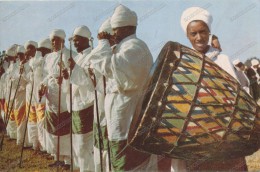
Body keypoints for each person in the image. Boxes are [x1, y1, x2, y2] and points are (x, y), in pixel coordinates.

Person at [89, 5, 156, 171]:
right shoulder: (124, 47)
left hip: (129, 113)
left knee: (129, 157)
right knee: (119, 155)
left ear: (126, 28)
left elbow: (109, 67)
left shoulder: (134, 47)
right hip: (121, 114)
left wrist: (103, 43)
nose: (113, 34)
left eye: (115, 30)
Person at [180, 6, 247, 171]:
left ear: (209, 32)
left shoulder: (222, 59)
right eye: (193, 33)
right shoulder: (184, 64)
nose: (199, 37)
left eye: (203, 32)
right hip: (199, 136)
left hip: (227, 133)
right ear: (187, 36)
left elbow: (238, 92)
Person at [39, 29, 75, 170]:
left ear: (63, 41)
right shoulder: (48, 57)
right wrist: (43, 85)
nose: (54, 42)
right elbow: (46, 75)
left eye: (57, 39)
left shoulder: (70, 55)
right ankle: (57, 157)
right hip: (52, 93)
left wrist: (65, 77)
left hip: (64, 92)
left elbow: (74, 73)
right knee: (53, 126)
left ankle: (68, 160)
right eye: (52, 40)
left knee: (65, 126)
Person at [62, 25, 95, 171]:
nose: (75, 44)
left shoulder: (92, 55)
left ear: (86, 40)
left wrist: (75, 69)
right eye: (74, 41)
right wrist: (67, 76)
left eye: (78, 40)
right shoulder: (76, 57)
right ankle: (80, 167)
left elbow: (89, 82)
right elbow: (73, 80)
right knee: (76, 140)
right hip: (75, 104)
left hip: (85, 104)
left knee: (84, 141)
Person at [34, 38, 52, 153]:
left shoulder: (48, 60)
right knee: (41, 122)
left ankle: (47, 147)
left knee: (45, 123)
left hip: (48, 96)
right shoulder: (40, 61)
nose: (41, 52)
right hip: (40, 96)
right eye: (40, 50)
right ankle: (42, 146)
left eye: (43, 50)